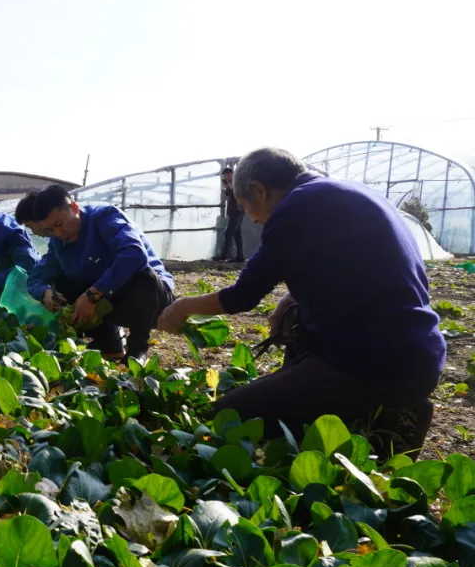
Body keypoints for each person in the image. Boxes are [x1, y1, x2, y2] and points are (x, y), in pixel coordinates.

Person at [157, 147, 445, 454]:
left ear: (259, 191)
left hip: (368, 364)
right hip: (419, 359)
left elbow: (242, 296)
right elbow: (356, 268)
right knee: (299, 341)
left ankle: (388, 411)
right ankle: (391, 408)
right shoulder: (345, 193)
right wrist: (290, 296)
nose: (253, 220)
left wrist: (182, 307)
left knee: (227, 417)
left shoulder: (295, 208)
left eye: (245, 207)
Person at [27, 185, 175, 360]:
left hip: (153, 300)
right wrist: (45, 293)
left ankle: (138, 348)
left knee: (142, 276)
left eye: (59, 224)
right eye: (50, 229)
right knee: (61, 283)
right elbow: (36, 278)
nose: (58, 233)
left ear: (74, 208)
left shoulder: (104, 217)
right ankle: (109, 342)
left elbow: (134, 255)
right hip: (111, 302)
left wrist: (92, 294)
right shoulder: (58, 243)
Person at [216, 167, 245, 262]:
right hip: (233, 211)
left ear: (232, 174)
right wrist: (227, 187)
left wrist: (231, 188)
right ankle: (240, 256)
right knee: (237, 235)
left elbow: (238, 194)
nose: (227, 177)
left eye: (228, 175)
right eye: (225, 176)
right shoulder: (230, 183)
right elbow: (229, 194)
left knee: (229, 233)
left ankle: (225, 255)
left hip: (238, 211)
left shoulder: (238, 182)